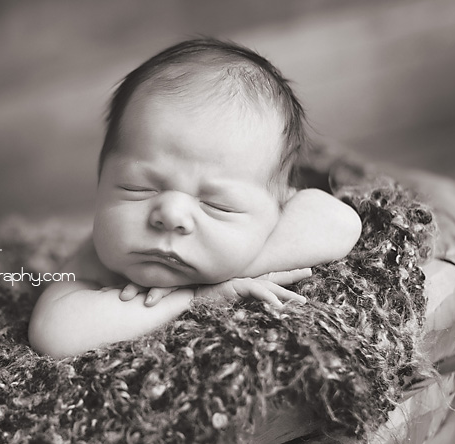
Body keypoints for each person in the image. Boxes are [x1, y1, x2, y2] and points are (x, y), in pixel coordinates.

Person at [29, 38, 362, 358]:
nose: (171, 214)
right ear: (100, 181)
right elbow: (54, 332)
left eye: (217, 205)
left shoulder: (274, 220)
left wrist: (228, 267)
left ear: (277, 208)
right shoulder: (95, 260)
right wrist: (194, 296)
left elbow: (340, 222)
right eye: (138, 188)